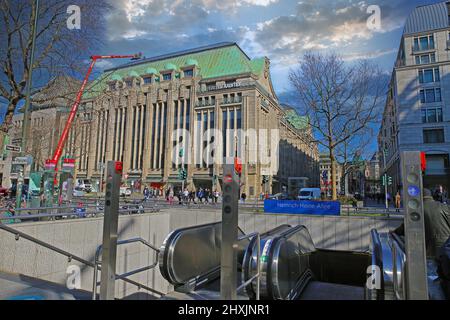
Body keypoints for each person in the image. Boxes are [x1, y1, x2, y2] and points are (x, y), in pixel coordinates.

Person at [394, 188, 450, 259]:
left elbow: (405, 227)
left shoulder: (416, 210)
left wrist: (395, 231)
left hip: (429, 248)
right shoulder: (445, 207)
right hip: (446, 247)